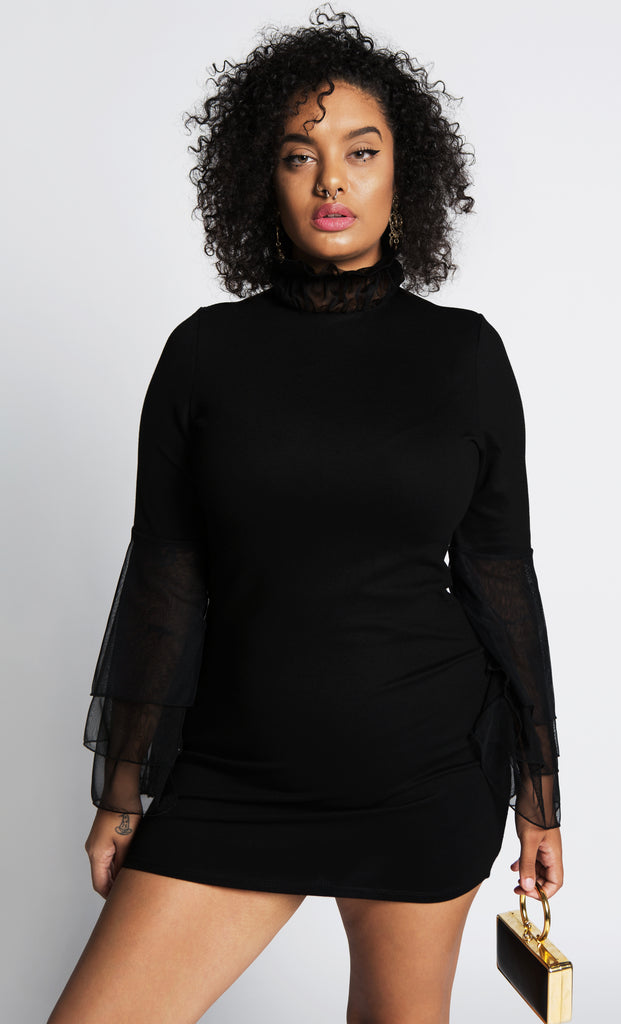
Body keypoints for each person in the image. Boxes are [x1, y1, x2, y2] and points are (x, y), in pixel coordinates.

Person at [47, 7, 564, 1023]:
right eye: (300, 155)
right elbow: (167, 572)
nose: (332, 182)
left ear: (403, 174)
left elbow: (501, 572)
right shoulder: (205, 354)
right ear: (264, 179)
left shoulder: (463, 355)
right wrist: (122, 788)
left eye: (360, 152)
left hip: (424, 769)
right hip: (237, 772)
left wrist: (540, 799)